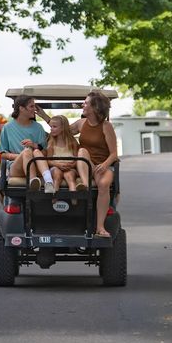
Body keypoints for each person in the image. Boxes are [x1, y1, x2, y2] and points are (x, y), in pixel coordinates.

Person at [71, 90, 118, 238]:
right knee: (83, 151)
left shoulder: (106, 126)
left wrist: (104, 164)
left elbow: (114, 154)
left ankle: (100, 227)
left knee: (103, 184)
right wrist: (44, 117)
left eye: (85, 103)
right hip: (86, 165)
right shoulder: (81, 123)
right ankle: (85, 185)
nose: (82, 105)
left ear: (95, 107)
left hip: (103, 164)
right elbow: (61, 129)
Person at [0, 95, 55, 193]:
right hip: (16, 167)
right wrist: (22, 156)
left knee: (33, 151)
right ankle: (32, 182)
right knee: (27, 152)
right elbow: (3, 153)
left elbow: (45, 153)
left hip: (37, 164)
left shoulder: (38, 128)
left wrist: (34, 145)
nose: (35, 110)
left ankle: (44, 182)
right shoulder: (7, 128)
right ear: (21, 108)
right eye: (31, 106)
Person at [45, 115, 88, 197]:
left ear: (63, 128)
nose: (51, 129)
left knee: (70, 176)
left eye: (54, 126)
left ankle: (74, 197)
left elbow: (77, 159)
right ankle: (54, 196)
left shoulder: (72, 142)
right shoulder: (51, 143)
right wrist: (58, 165)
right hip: (56, 167)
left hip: (70, 168)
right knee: (57, 175)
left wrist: (72, 165)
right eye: (51, 126)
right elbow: (49, 160)